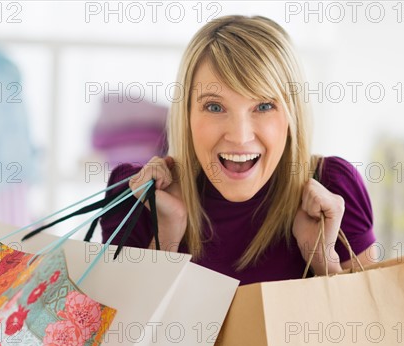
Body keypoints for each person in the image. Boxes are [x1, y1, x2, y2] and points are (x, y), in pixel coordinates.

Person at [100, 15, 376, 285]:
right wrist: (165, 240)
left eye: (264, 106)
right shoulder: (137, 196)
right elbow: (120, 330)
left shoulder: (334, 190)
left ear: (292, 114)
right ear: (186, 115)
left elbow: (370, 328)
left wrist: (324, 262)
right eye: (215, 107)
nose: (240, 137)